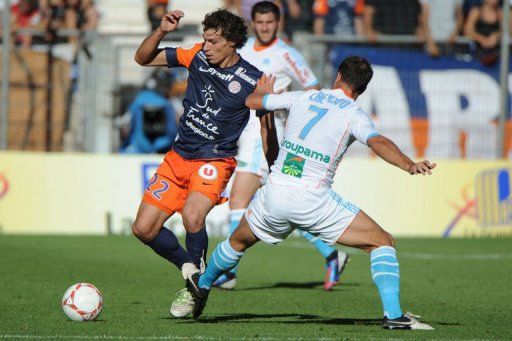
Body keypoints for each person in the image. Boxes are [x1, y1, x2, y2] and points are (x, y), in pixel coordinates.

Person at [177, 56, 437, 330]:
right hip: (312, 199)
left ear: (338, 76)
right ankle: (394, 315)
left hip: (275, 193)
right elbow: (378, 142)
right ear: (362, 88)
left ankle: (202, 285)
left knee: (237, 242)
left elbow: (252, 102)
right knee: (382, 242)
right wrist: (409, 165)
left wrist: (264, 95)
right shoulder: (354, 114)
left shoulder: (303, 97)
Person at [132, 8, 276, 318]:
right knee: (143, 229)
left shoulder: (252, 79)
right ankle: (191, 269)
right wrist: (161, 32)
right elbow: (142, 59)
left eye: (212, 41)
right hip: (177, 158)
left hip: (214, 160)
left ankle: (194, 290)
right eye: (205, 40)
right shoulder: (195, 55)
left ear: (232, 42)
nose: (206, 46)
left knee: (192, 216)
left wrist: (268, 108)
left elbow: (266, 127)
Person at [213, 0, 349, 292]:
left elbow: (313, 89)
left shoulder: (287, 54)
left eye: (269, 22)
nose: (264, 27)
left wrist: (285, 102)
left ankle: (227, 271)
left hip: (266, 132)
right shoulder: (243, 49)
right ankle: (332, 253)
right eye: (259, 22)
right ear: (253, 22)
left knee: (239, 201)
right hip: (251, 132)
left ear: (278, 23)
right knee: (287, 203)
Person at [119, 69, 179, 154]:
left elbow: (125, 128)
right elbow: (174, 130)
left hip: (136, 152)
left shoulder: (137, 101)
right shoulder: (168, 104)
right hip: (163, 153)